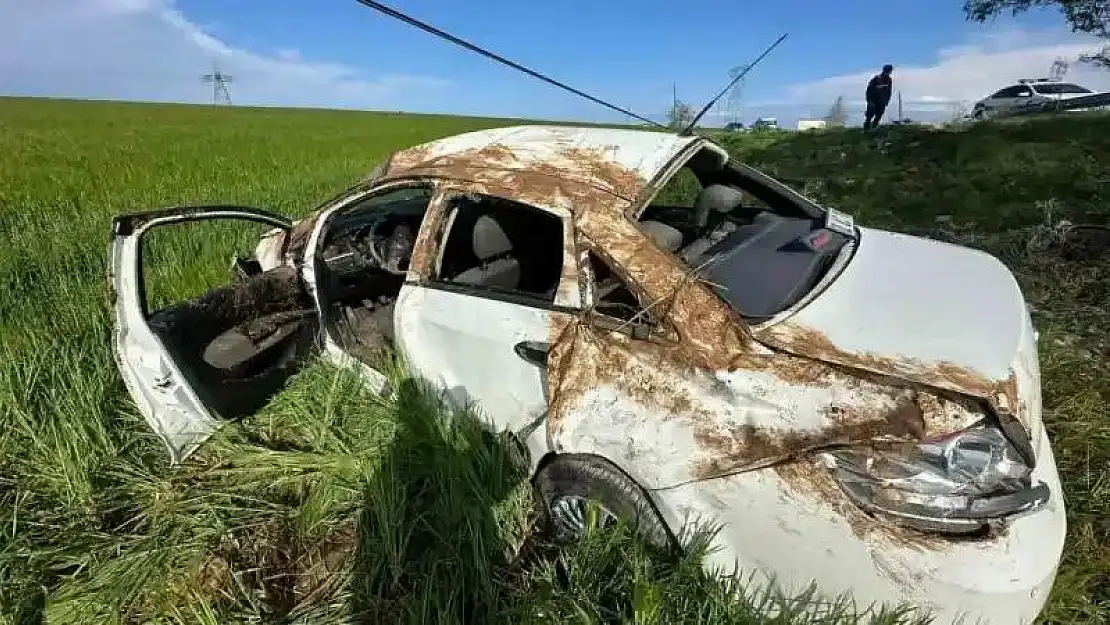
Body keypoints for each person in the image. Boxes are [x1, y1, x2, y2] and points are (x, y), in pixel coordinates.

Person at [864, 64, 894, 129]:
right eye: (888, 71)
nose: (889, 72)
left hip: (882, 102)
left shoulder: (889, 80)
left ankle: (874, 128)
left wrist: (887, 101)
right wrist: (869, 101)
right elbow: (869, 90)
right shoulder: (876, 78)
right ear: (884, 70)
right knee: (869, 116)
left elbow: (889, 91)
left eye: (890, 71)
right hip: (873, 101)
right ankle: (866, 130)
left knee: (878, 116)